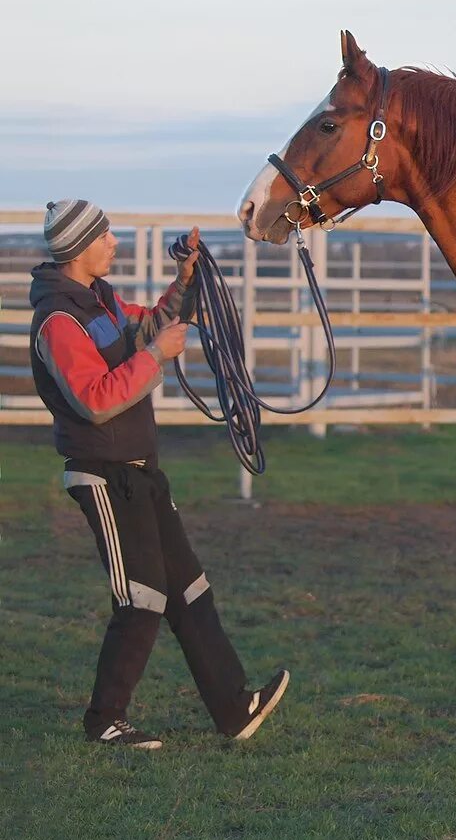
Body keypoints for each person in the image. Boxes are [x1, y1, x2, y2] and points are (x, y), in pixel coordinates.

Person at [28, 199, 289, 749]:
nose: (114, 244)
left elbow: (152, 323)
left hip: (141, 470)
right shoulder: (59, 320)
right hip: (103, 474)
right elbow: (95, 400)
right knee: (142, 596)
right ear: (79, 247)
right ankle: (105, 721)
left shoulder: (99, 301)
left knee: (189, 588)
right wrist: (156, 357)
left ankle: (233, 708)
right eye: (105, 237)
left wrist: (185, 277)